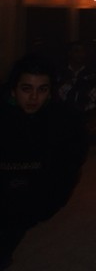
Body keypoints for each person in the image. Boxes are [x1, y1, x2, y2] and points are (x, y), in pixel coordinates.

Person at [1, 54, 88, 270]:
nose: (33, 97)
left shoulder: (62, 125)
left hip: (25, 206)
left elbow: (68, 167)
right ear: (13, 90)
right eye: (26, 89)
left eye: (42, 90)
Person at [55, 40, 96, 119]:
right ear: (69, 53)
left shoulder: (91, 74)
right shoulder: (61, 73)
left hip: (85, 116)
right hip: (63, 116)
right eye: (77, 51)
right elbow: (58, 96)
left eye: (82, 51)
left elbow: (94, 97)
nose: (80, 54)